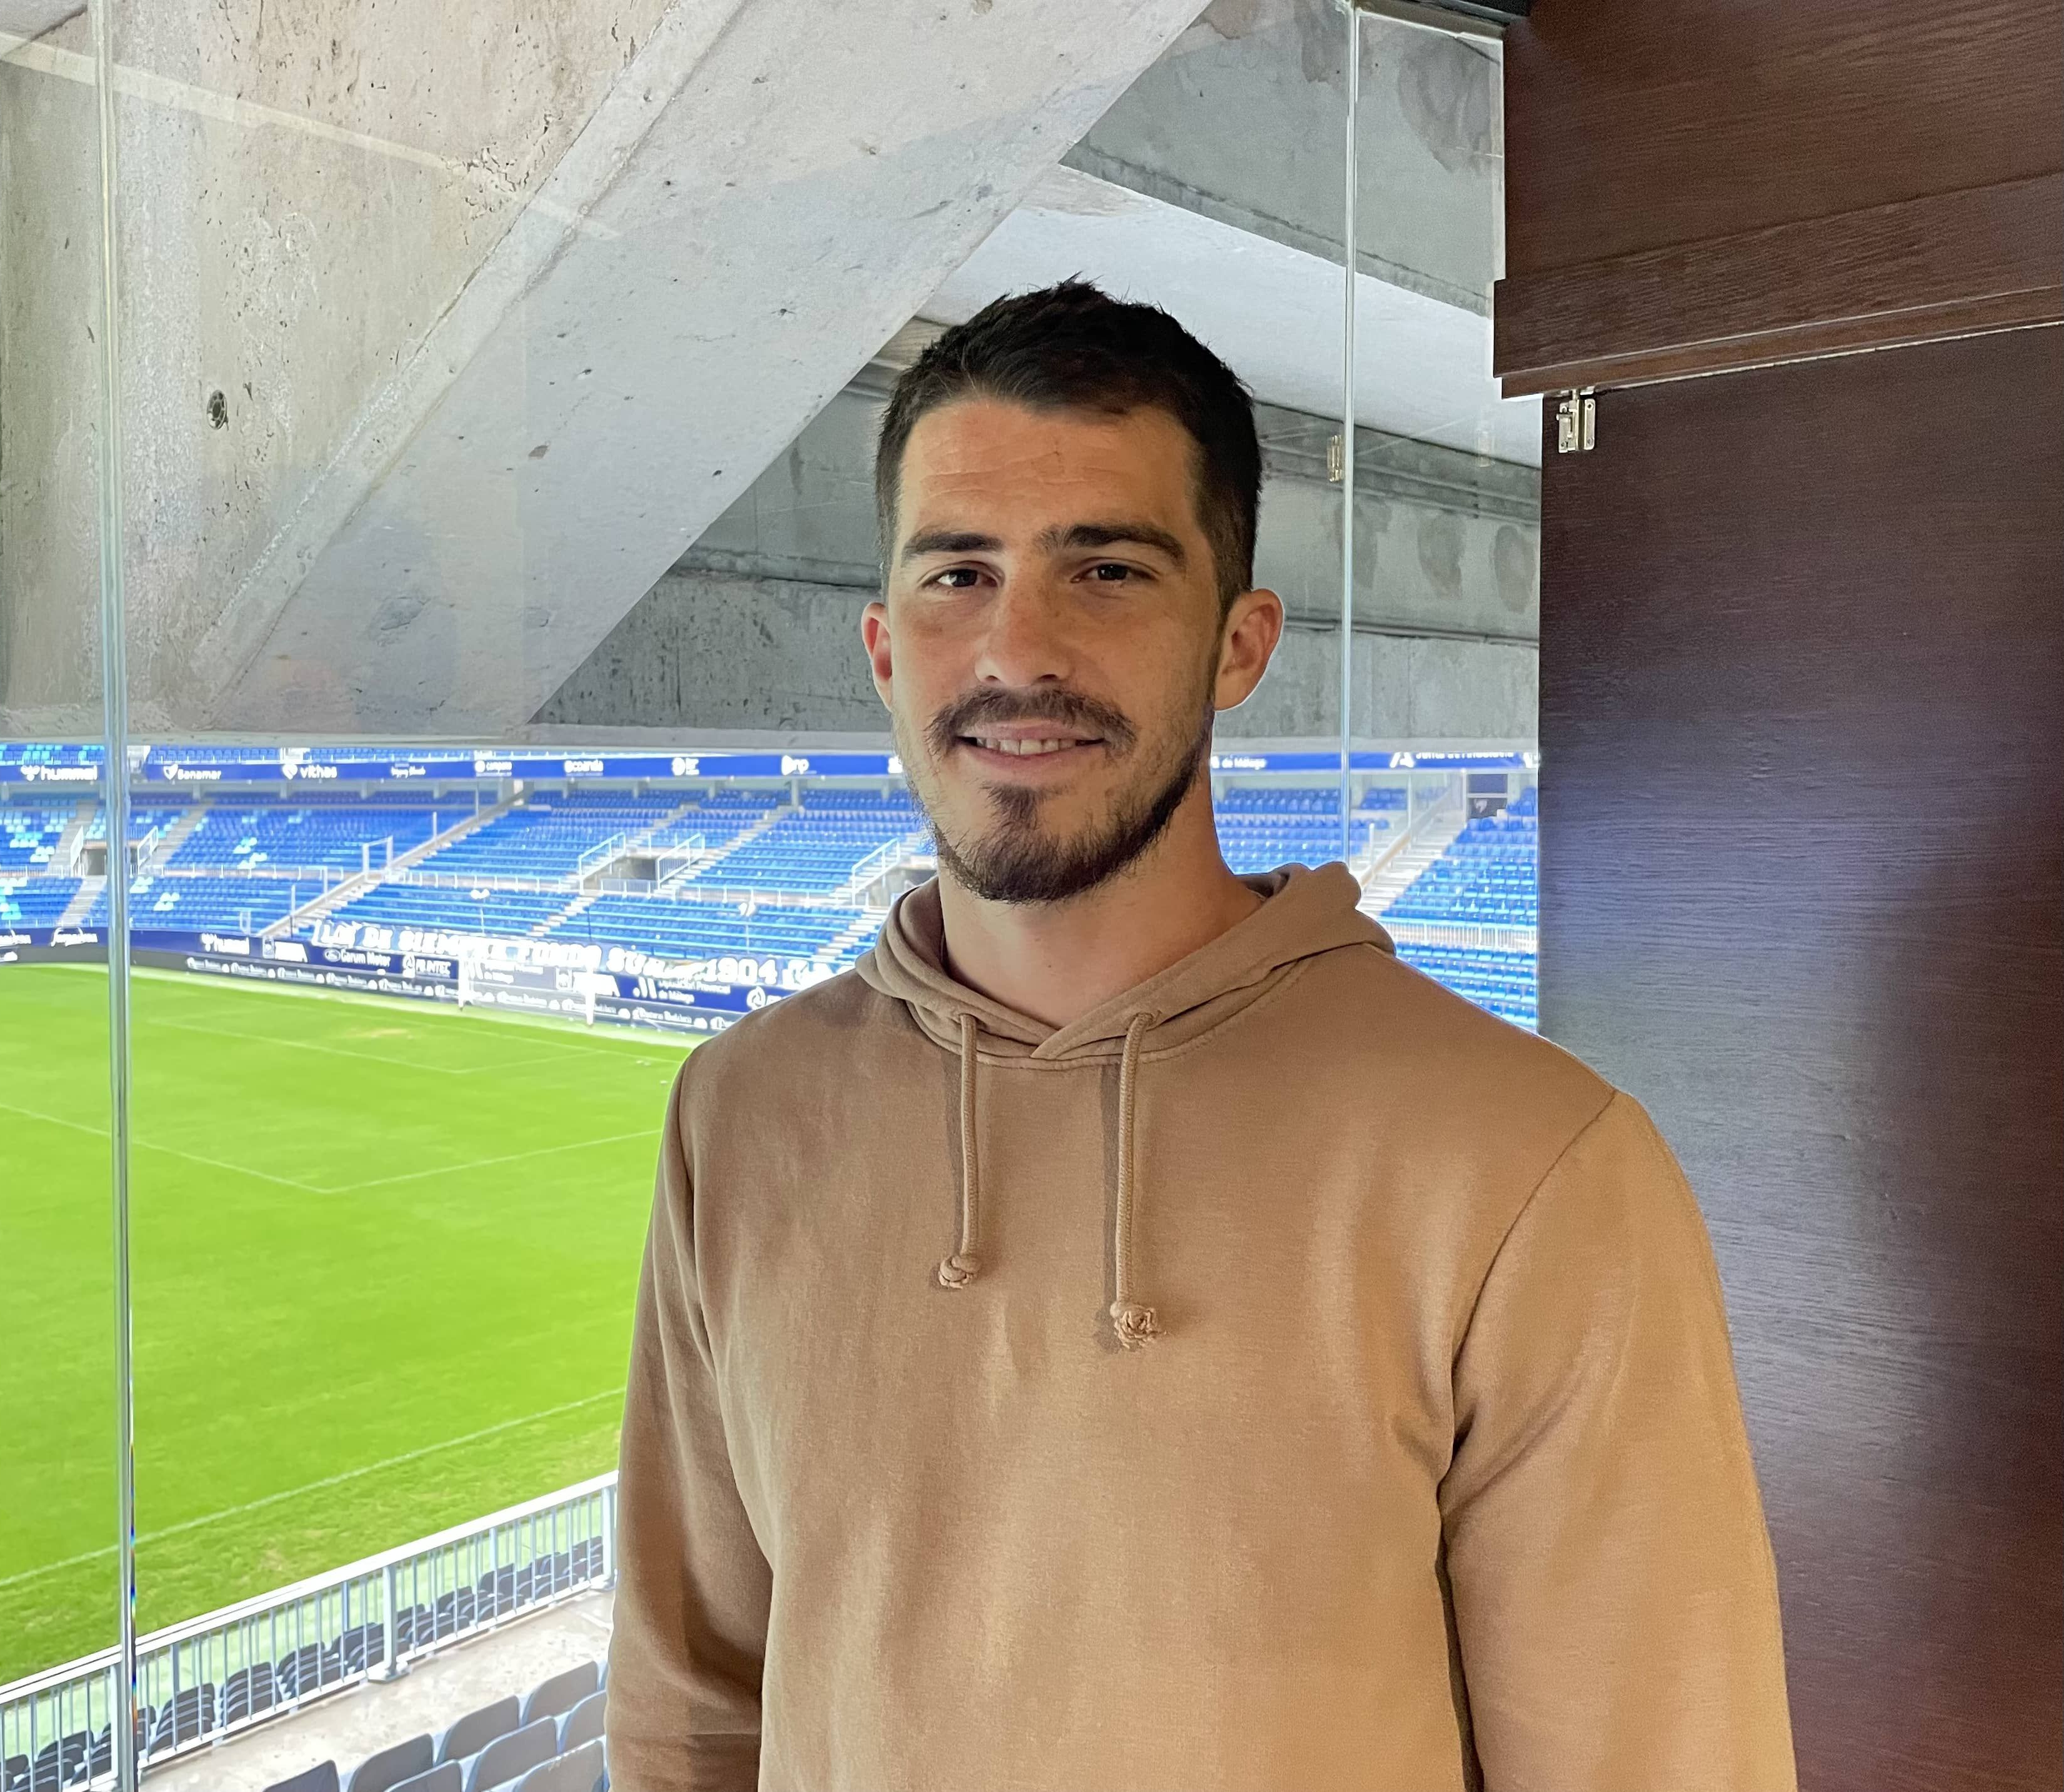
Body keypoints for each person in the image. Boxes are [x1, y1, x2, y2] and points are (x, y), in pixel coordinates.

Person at [604, 281, 1797, 1791]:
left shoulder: (1530, 1165)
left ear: (1238, 645)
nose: (1014, 648)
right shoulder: (741, 1114)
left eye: (1105, 569)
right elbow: (691, 1706)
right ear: (885, 648)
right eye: (957, 573)